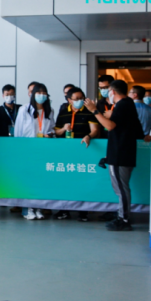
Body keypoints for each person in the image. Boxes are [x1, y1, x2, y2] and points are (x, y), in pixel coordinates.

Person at [84, 79, 144, 232]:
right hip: (122, 151)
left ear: (112, 91)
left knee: (121, 188)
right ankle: (121, 214)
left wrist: (94, 110)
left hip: (120, 153)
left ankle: (124, 219)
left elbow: (109, 126)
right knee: (121, 187)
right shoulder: (127, 104)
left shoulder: (123, 105)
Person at [53, 86, 99, 221]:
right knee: (65, 181)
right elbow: (56, 132)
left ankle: (83, 212)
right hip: (65, 152)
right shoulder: (63, 112)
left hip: (83, 151)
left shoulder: (89, 111)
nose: (79, 101)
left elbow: (95, 130)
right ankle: (64, 210)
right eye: (76, 99)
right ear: (69, 100)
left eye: (81, 98)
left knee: (82, 180)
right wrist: (63, 129)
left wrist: (88, 136)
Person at [15, 83, 54, 220]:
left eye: (44, 93)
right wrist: (19, 149)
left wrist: (50, 134)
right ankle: (27, 208)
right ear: (33, 94)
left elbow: (52, 127)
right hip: (27, 149)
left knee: (41, 178)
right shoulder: (24, 109)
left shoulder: (49, 110)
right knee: (28, 178)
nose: (41, 95)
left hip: (43, 149)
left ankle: (38, 207)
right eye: (39, 93)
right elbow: (18, 130)